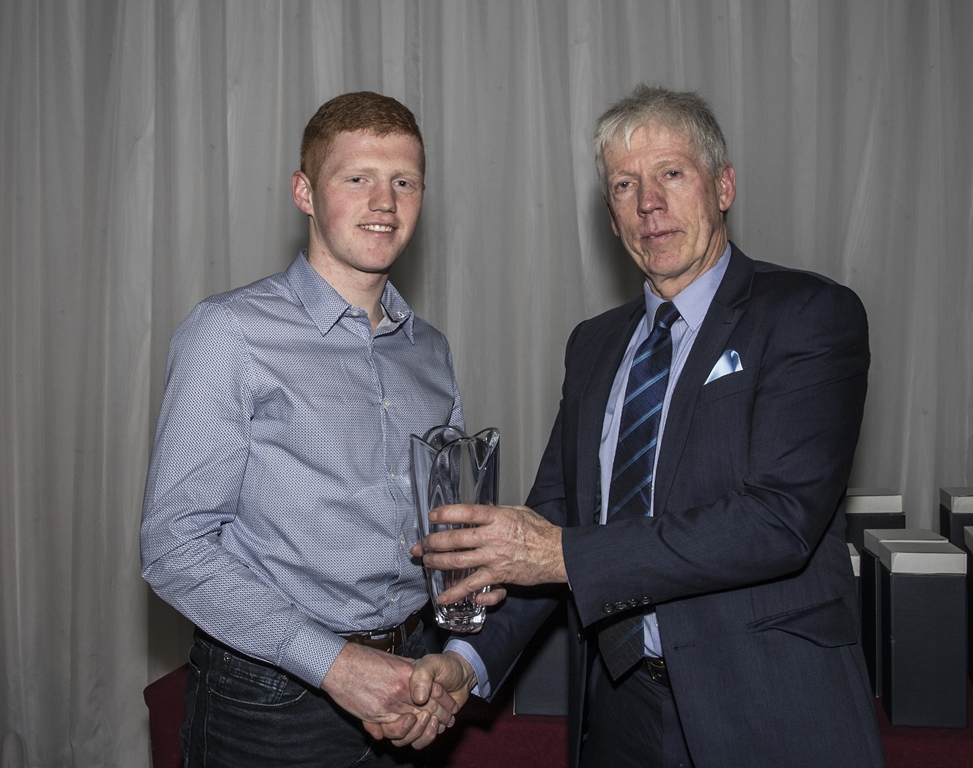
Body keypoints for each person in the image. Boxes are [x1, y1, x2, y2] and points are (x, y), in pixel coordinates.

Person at [409, 85, 886, 768]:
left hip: (767, 709)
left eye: (671, 174)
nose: (648, 203)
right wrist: (465, 660)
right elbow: (554, 521)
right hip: (618, 714)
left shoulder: (807, 313)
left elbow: (778, 522)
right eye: (624, 185)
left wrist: (562, 554)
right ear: (611, 217)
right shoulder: (593, 344)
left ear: (722, 186)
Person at [141, 91, 493, 767]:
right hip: (270, 697)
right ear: (304, 192)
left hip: (412, 675)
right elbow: (174, 547)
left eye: (404, 182)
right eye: (357, 178)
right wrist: (334, 665)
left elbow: (441, 522)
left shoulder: (430, 350)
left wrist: (469, 577)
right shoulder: (229, 333)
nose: (384, 202)